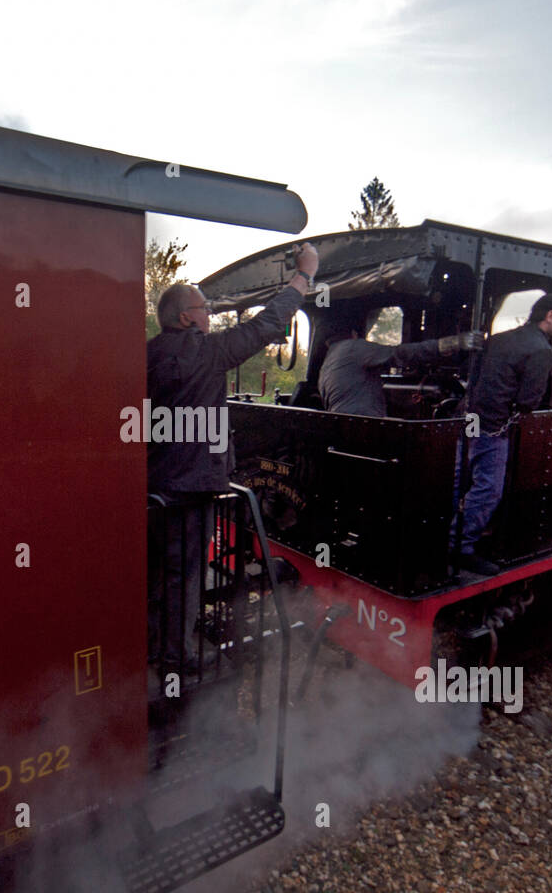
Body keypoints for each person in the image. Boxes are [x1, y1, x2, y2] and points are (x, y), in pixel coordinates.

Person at [147, 243, 318, 680]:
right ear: (186, 316)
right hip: (191, 490)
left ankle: (153, 641)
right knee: (185, 576)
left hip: (154, 486)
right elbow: (267, 325)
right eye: (204, 307)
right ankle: (177, 658)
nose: (209, 314)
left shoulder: (146, 355)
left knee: (157, 572)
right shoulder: (209, 352)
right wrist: (303, 277)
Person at [453, 291, 552, 575]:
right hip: (493, 426)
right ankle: (461, 548)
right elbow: (529, 401)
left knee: (458, 480)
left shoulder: (497, 339)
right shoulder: (542, 349)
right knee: (488, 490)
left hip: (465, 418)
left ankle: (444, 536)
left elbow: (470, 374)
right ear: (550, 316)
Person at [319, 320, 484, 417]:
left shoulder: (329, 359)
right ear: (354, 334)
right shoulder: (353, 348)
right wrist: (452, 343)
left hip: (345, 426)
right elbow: (399, 353)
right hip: (362, 429)